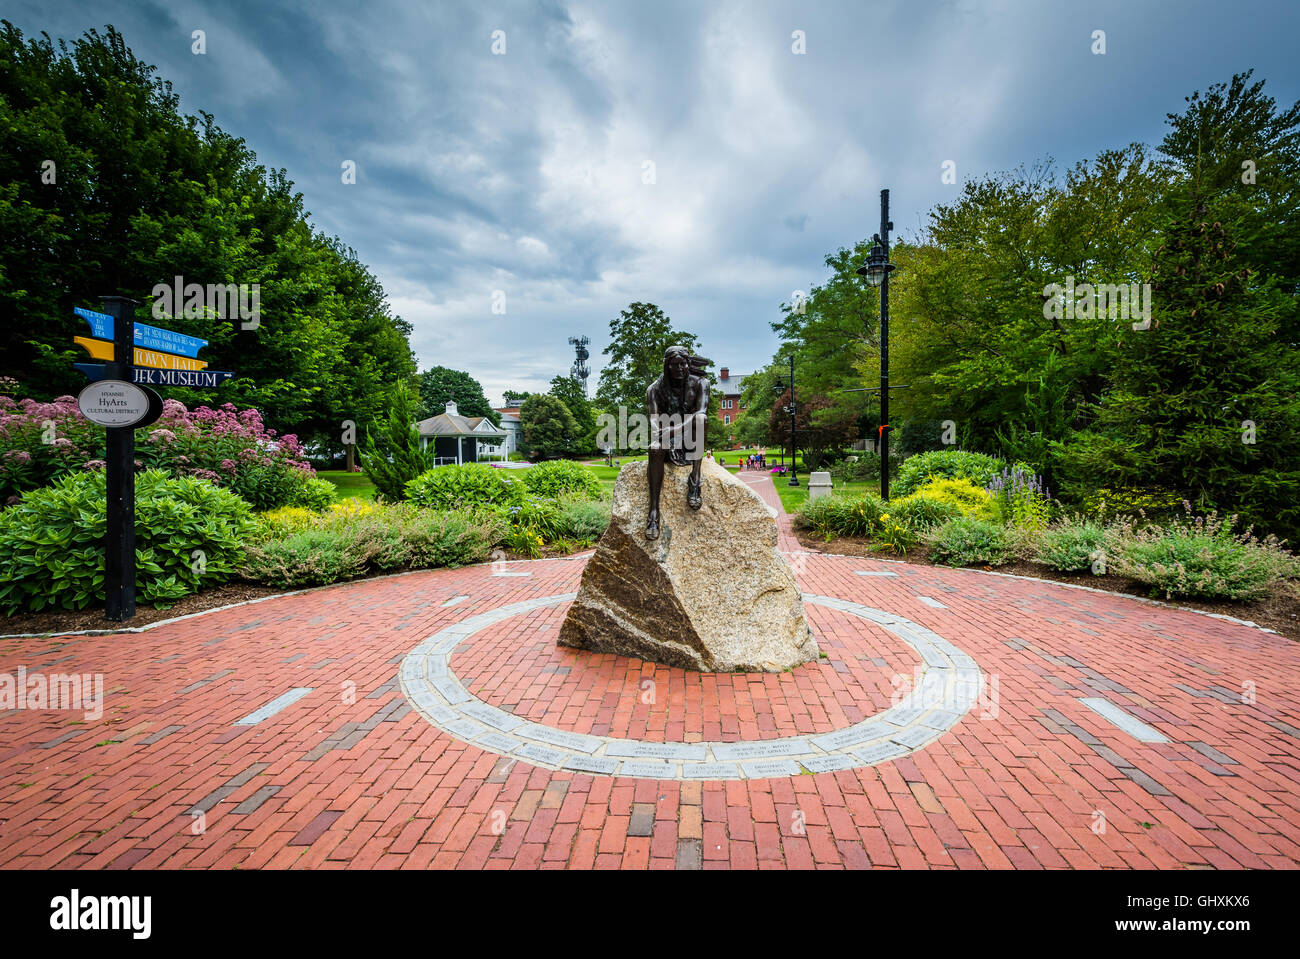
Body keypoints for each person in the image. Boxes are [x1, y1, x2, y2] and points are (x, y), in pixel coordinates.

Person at [644, 345, 710, 540]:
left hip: (690, 436)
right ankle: (653, 512)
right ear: (667, 366)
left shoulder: (700, 383)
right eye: (675, 365)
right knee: (654, 449)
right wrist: (670, 434)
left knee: (701, 421)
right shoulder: (654, 389)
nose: (680, 368)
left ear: (688, 363)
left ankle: (695, 480)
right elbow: (656, 427)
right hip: (667, 439)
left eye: (683, 364)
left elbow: (701, 413)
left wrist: (675, 428)